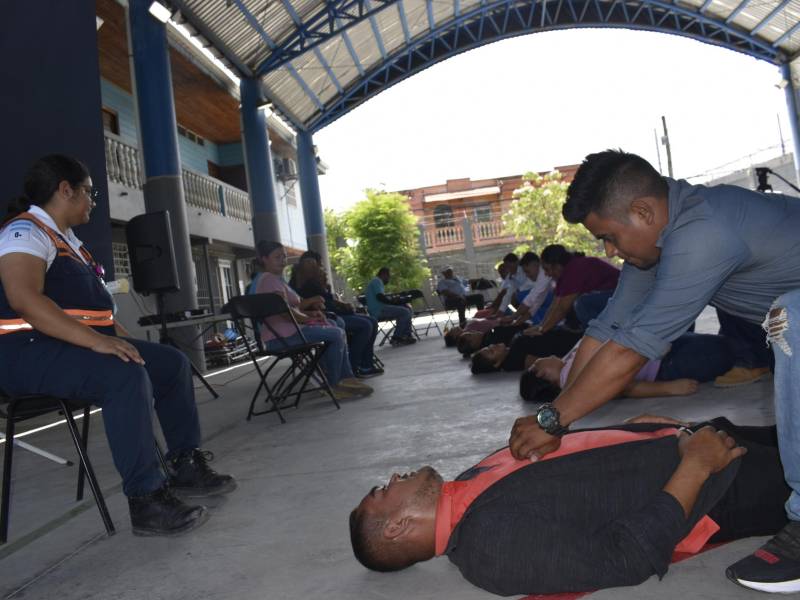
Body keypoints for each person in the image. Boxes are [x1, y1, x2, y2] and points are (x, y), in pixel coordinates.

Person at [507, 149, 800, 593]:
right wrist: (552, 414)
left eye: (608, 237)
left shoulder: (704, 232)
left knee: (791, 317)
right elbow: (607, 330)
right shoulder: (658, 244)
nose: (608, 251)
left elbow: (631, 352)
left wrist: (554, 420)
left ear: (643, 211)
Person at [0, 155, 236, 536]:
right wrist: (100, 344)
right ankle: (147, 500)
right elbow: (25, 299)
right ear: (65, 190)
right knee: (123, 375)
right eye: (88, 192)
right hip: (28, 353)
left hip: (70, 348)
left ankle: (185, 464)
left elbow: (95, 316)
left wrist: (118, 341)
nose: (93, 200)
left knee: (171, 363)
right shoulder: (23, 233)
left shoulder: (72, 243)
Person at [349, 416, 789, 596]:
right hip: (721, 485)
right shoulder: (489, 549)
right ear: (396, 527)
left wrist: (633, 430)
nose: (391, 479)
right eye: (382, 492)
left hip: (696, 440)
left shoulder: (464, 487)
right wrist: (696, 467)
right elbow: (626, 557)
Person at [255, 240, 372, 399]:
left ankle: (344, 377)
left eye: (284, 256)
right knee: (336, 332)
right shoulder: (268, 280)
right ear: (264, 259)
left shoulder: (276, 280)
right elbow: (285, 313)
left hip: (289, 332)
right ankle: (334, 382)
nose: (283, 260)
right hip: (283, 337)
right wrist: (307, 319)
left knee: (333, 325)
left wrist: (311, 315)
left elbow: (291, 308)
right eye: (277, 257)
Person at [522, 332, 734, 402]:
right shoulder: (571, 378)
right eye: (537, 364)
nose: (538, 359)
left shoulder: (567, 362)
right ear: (542, 374)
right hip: (666, 364)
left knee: (721, 344)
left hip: (659, 346)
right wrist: (669, 388)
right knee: (725, 350)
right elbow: (621, 386)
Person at [292, 254, 382, 378]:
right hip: (327, 317)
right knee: (365, 325)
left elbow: (327, 301)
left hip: (328, 315)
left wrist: (326, 288)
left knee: (370, 321)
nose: (322, 268)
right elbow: (326, 306)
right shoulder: (309, 284)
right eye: (319, 265)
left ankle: (365, 363)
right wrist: (348, 310)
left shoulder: (312, 283)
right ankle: (354, 365)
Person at [529, 244, 620, 335]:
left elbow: (562, 309)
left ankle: (599, 335)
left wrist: (542, 330)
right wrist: (541, 326)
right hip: (607, 295)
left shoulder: (574, 269)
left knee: (581, 303)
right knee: (578, 304)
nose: (546, 274)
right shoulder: (564, 274)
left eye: (547, 269)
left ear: (557, 266)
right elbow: (555, 304)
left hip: (618, 294)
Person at [470, 327, 581, 373]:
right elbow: (549, 362)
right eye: (491, 351)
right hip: (572, 345)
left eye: (489, 347)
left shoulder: (510, 349)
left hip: (566, 334)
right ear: (497, 364)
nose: (493, 346)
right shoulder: (514, 360)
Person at [364, 267, 415, 346]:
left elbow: (380, 297)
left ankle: (406, 335)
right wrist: (392, 302)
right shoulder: (377, 281)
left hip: (378, 309)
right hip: (378, 310)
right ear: (384, 274)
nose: (388, 279)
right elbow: (380, 297)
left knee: (406, 308)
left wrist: (392, 301)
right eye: (388, 277)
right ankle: (397, 337)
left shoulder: (375, 281)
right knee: (405, 312)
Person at [508, 251, 553, 326]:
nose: (527, 275)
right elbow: (535, 305)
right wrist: (516, 323)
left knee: (523, 297)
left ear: (536, 264)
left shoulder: (544, 274)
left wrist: (513, 316)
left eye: (527, 272)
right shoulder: (540, 276)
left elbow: (531, 299)